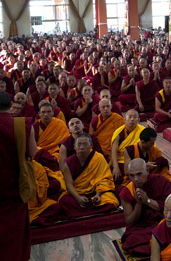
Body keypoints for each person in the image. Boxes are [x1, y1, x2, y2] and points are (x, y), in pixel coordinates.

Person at [37, 134, 119, 224]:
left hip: (96, 192)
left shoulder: (98, 158)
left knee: (111, 199)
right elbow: (69, 184)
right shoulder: (68, 163)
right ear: (74, 147)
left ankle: (82, 212)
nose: (82, 147)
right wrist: (78, 198)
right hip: (77, 192)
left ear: (91, 146)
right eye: (79, 144)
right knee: (64, 201)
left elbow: (104, 179)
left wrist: (98, 195)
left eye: (85, 144)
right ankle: (94, 211)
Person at [0, 90, 36, 261]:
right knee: (15, 227)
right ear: (10, 105)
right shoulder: (22, 125)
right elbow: (32, 151)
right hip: (16, 183)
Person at [120, 158, 171, 256]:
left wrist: (147, 200)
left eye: (139, 174)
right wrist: (139, 203)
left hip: (162, 222)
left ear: (147, 171)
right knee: (131, 241)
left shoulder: (162, 181)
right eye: (132, 175)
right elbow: (129, 221)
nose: (136, 179)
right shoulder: (127, 191)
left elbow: (170, 208)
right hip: (141, 228)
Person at [111, 109, 146, 184]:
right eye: (129, 117)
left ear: (138, 120)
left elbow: (150, 148)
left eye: (134, 117)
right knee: (114, 178)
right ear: (125, 119)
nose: (132, 119)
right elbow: (113, 151)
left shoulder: (143, 131)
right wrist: (115, 167)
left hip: (137, 161)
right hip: (121, 161)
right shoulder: (119, 132)